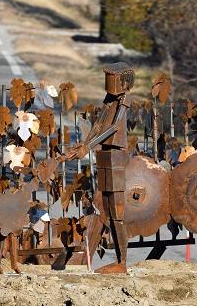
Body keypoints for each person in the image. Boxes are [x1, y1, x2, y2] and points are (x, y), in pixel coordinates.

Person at [62, 62, 134, 274]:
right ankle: (116, 261)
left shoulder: (124, 100)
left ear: (122, 80)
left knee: (117, 212)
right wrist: (84, 145)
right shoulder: (110, 100)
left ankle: (122, 262)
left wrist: (89, 146)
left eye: (111, 77)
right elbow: (99, 125)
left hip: (117, 157)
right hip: (105, 156)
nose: (107, 82)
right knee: (108, 208)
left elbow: (114, 127)